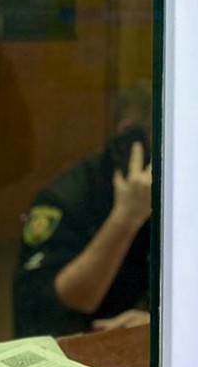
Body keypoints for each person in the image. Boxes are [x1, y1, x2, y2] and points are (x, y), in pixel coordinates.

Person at [13, 93, 153, 338]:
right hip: (72, 338)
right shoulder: (65, 197)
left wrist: (155, 318)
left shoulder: (180, 187)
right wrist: (126, 218)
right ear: (128, 135)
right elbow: (49, 306)